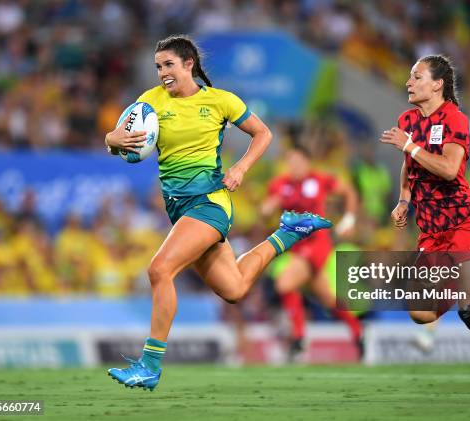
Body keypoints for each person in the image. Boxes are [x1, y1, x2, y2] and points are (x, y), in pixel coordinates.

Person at [104, 35, 332, 390]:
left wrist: (240, 168)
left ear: (188, 64)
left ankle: (149, 364)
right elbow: (123, 143)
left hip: (210, 203)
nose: (162, 72)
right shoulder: (149, 101)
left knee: (159, 270)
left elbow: (263, 134)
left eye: (168, 65)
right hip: (180, 210)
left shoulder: (220, 101)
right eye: (158, 66)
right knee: (235, 289)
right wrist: (110, 140)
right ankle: (288, 233)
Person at [380, 55, 470, 396]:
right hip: (432, 231)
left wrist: (410, 145)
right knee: (420, 313)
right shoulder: (407, 119)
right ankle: (460, 278)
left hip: (465, 223)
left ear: (437, 84)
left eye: (416, 77)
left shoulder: (456, 119)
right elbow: (407, 164)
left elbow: (450, 169)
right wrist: (403, 199)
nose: (408, 83)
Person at [262, 145, 363, 361]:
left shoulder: (320, 180)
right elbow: (265, 211)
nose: (294, 166)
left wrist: (349, 219)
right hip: (297, 248)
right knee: (327, 298)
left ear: (307, 162)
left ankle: (298, 338)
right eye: (290, 162)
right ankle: (358, 332)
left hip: (317, 244)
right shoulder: (279, 185)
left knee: (284, 284)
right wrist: (267, 208)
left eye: (298, 161)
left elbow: (349, 192)